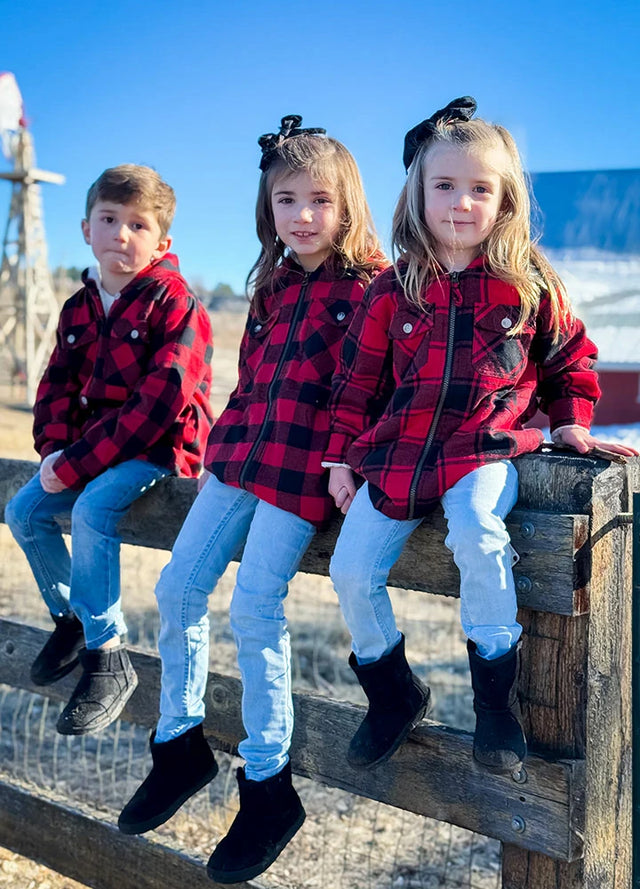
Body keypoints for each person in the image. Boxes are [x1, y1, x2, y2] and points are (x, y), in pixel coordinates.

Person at [324, 97, 638, 776]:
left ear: (505, 200)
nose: (461, 203)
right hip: (400, 455)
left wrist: (570, 420)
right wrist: (340, 459)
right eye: (444, 185)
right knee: (349, 569)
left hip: (483, 449)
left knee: (477, 533)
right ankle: (392, 691)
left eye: (480, 189)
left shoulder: (528, 282)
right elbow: (356, 383)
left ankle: (495, 702)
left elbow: (570, 360)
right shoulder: (393, 289)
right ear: (419, 193)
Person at [117, 116, 386, 882]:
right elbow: (250, 383)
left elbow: (370, 388)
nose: (302, 216)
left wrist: (350, 458)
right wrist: (216, 450)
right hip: (238, 458)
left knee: (255, 606)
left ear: (347, 203)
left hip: (305, 467)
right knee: (177, 587)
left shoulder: (369, 287)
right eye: (286, 200)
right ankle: (179, 744)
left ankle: (267, 783)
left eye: (319, 200)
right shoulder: (270, 285)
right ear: (268, 206)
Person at [5, 164, 214, 736]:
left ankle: (108, 655)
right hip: (90, 449)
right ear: (86, 229)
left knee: (93, 509)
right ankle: (72, 621)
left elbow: (160, 401)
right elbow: (54, 387)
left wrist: (76, 463)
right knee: (23, 510)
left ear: (161, 242)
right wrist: (54, 451)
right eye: (109, 219)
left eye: (138, 225)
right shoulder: (78, 307)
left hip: (159, 449)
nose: (121, 233)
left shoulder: (176, 303)